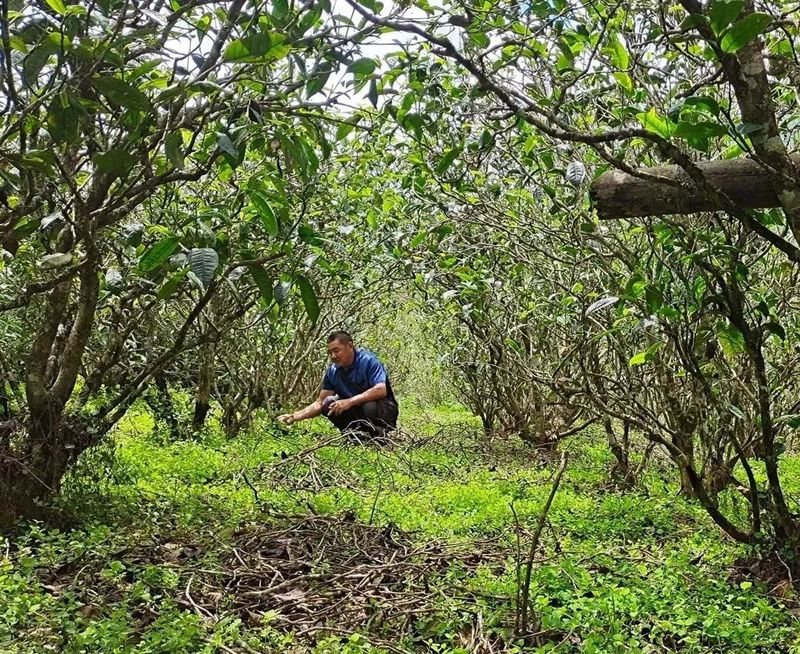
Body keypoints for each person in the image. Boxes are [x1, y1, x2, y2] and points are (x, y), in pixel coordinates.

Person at [278, 331, 398, 440]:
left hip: (383, 410)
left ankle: (378, 435)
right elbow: (320, 402)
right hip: (356, 412)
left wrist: (349, 401)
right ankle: (353, 435)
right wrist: (294, 416)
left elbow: (380, 390)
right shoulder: (333, 371)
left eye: (336, 351)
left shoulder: (368, 361)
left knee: (369, 405)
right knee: (329, 402)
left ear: (350, 346)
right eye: (330, 352)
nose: (333, 356)